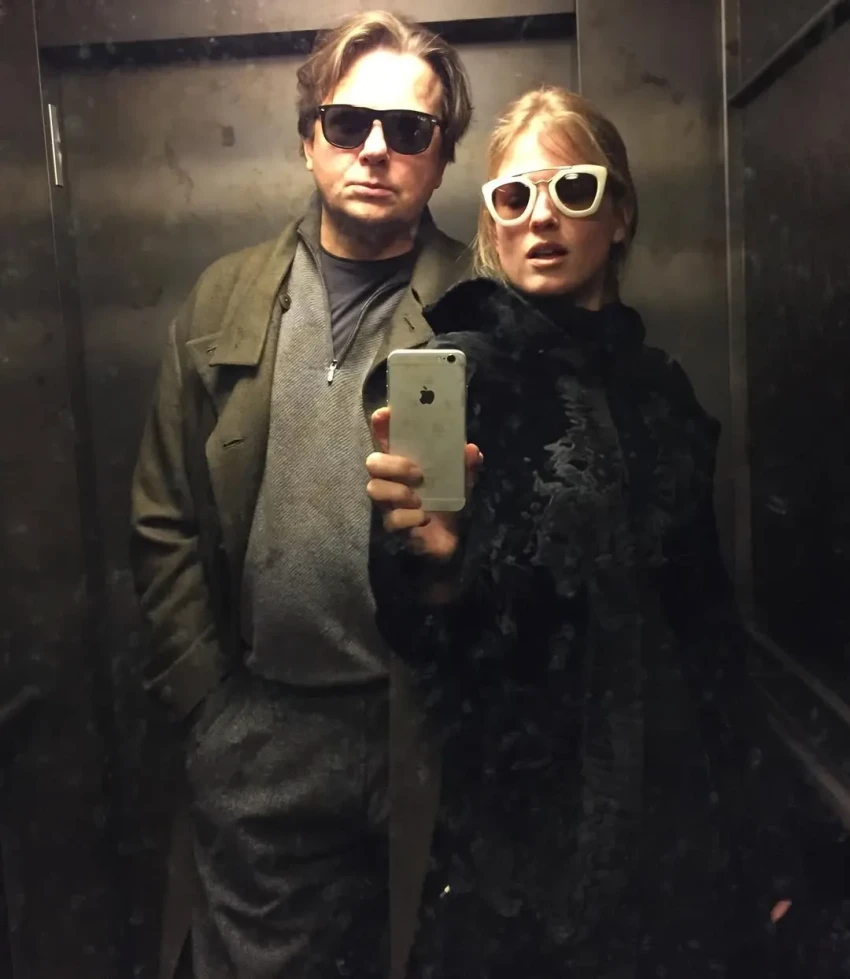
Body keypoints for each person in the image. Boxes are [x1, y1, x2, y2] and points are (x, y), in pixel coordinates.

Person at [367, 87, 796, 978]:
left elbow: (708, 626)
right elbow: (418, 637)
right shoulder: (457, 380)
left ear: (620, 212)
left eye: (573, 188)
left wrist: (762, 834)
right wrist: (437, 570)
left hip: (677, 838)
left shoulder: (662, 393)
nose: (541, 217)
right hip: (516, 847)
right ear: (493, 226)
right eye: (513, 197)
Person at [130, 10, 473, 978]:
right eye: (347, 122)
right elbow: (162, 516)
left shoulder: (482, 303)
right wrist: (209, 705)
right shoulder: (224, 300)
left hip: (433, 730)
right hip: (262, 726)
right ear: (307, 139)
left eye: (409, 129)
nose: (376, 149)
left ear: (442, 155)